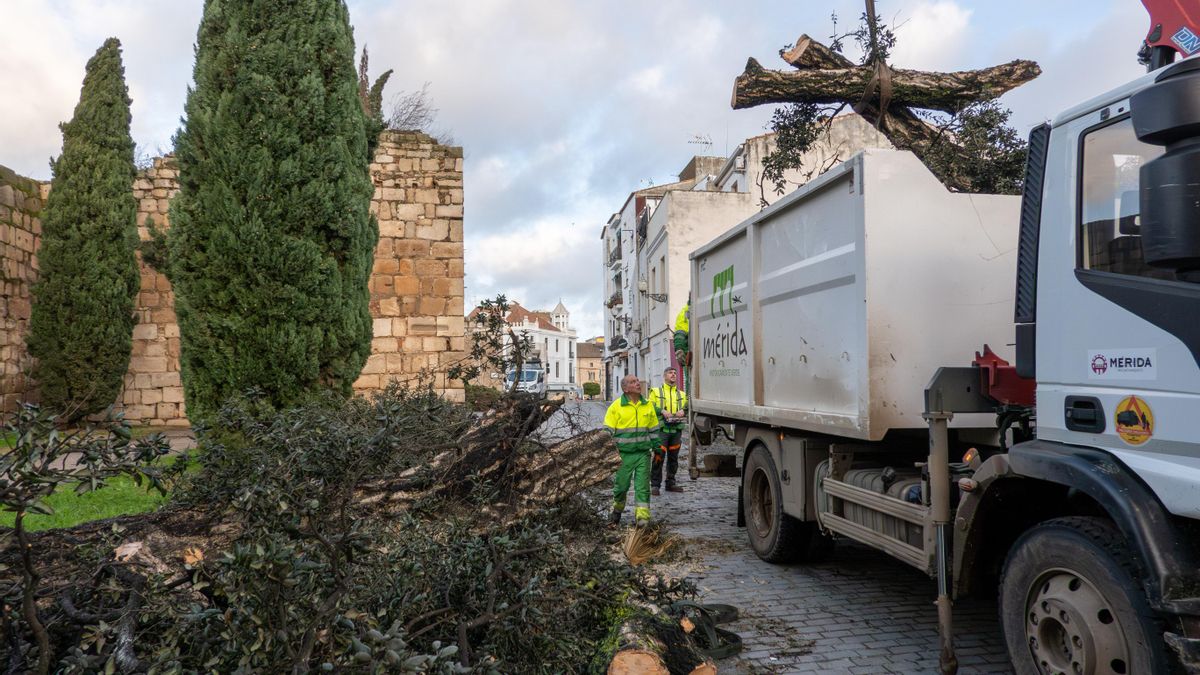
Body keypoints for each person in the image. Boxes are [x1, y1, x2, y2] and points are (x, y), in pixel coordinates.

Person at [602, 374, 661, 527]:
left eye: (637, 380)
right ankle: (616, 512)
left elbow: (654, 429)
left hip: (643, 454)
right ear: (626, 389)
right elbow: (607, 430)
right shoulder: (616, 407)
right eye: (633, 382)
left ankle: (642, 519)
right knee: (621, 487)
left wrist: (658, 448)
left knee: (642, 487)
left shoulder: (647, 405)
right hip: (623, 455)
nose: (637, 383)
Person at [648, 367, 688, 494]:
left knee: (674, 458)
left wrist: (684, 410)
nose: (673, 375)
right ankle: (655, 485)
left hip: (676, 430)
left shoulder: (681, 394)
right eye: (670, 373)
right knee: (659, 456)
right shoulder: (655, 391)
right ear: (664, 376)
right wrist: (662, 411)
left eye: (675, 373)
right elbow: (650, 405)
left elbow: (688, 405)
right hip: (662, 430)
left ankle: (671, 483)